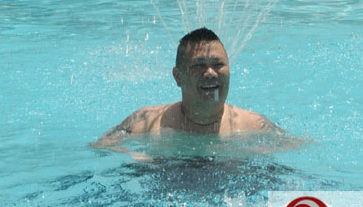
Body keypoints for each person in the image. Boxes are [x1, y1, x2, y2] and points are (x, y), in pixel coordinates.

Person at [92, 27, 283, 146]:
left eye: (218, 65)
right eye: (199, 65)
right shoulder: (143, 123)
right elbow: (100, 147)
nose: (210, 73)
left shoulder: (257, 127)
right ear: (178, 77)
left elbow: (298, 149)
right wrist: (135, 157)